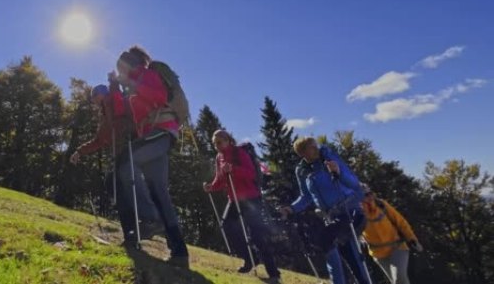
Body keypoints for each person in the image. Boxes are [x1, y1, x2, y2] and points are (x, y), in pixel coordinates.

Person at [112, 46, 189, 268]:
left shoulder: (148, 75)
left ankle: (150, 218)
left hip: (161, 130)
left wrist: (132, 82)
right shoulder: (133, 84)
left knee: (126, 164)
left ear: (130, 64)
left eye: (121, 67)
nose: (120, 71)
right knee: (159, 192)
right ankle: (180, 253)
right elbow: (122, 111)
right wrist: (115, 86)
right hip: (153, 134)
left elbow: (159, 96)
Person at [279, 137, 371, 284]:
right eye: (311, 147)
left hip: (350, 210)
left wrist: (338, 172)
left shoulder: (329, 157)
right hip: (332, 217)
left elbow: (354, 182)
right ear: (302, 153)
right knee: (346, 253)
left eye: (316, 145)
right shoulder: (302, 171)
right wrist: (291, 208)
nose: (316, 149)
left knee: (329, 242)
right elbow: (306, 196)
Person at [203, 130, 283, 283]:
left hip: (251, 198)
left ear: (228, 140)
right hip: (234, 198)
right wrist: (211, 187)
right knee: (227, 226)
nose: (216, 146)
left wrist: (233, 169)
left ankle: (273, 274)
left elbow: (251, 174)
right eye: (214, 143)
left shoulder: (239, 152)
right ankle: (250, 258)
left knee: (257, 235)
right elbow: (220, 179)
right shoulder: (219, 157)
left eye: (219, 142)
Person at [69, 84, 138, 244]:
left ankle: (135, 231)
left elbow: (119, 100)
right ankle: (131, 234)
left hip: (129, 148)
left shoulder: (113, 99)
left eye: (93, 97)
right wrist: (79, 151)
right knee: (114, 186)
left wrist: (113, 82)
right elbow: (99, 141)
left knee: (118, 186)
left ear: (99, 94)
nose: (92, 101)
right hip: (121, 151)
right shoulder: (104, 113)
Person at [360, 183, 423, 284]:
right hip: (378, 254)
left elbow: (400, 221)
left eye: (370, 193)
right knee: (396, 281)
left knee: (398, 278)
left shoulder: (382, 205)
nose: (369, 196)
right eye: (365, 195)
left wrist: (412, 239)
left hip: (398, 248)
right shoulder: (357, 212)